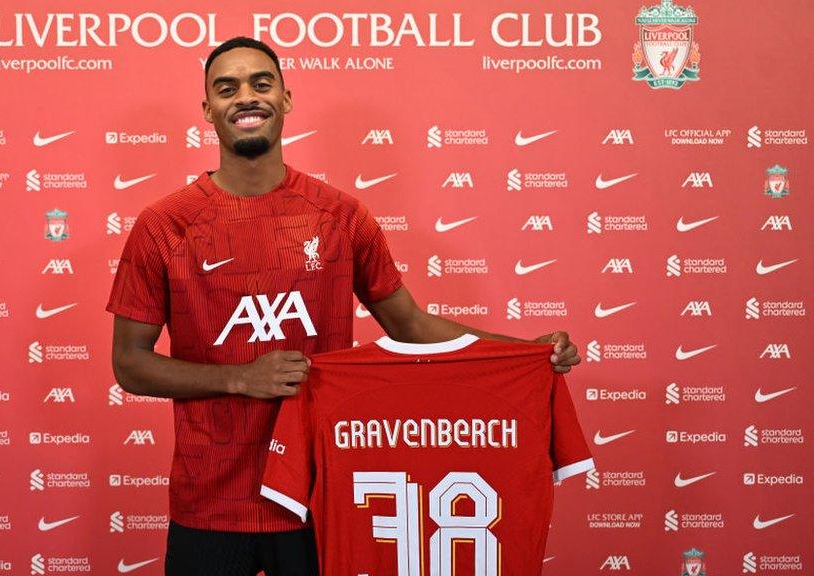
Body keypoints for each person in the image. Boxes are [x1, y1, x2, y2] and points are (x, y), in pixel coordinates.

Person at [106, 36, 581, 576]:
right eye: (227, 88)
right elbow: (131, 365)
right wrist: (241, 378)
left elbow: (411, 325)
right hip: (209, 503)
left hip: (323, 498)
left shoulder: (340, 215)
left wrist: (527, 353)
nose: (246, 97)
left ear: (285, 99)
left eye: (262, 84)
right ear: (207, 109)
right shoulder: (165, 224)